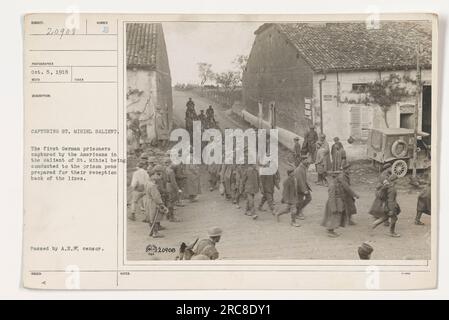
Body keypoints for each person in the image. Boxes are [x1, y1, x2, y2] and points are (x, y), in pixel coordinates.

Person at [321, 171, 346, 237]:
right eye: (340, 176)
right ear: (336, 177)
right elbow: (331, 197)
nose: (342, 177)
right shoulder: (332, 185)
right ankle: (330, 231)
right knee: (333, 217)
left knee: (335, 217)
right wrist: (333, 208)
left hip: (337, 203)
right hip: (334, 204)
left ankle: (331, 230)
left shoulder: (337, 183)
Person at [144, 173, 167, 238]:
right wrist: (161, 204)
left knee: (150, 217)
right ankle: (155, 232)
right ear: (155, 180)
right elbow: (156, 197)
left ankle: (152, 231)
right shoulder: (152, 186)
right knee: (155, 217)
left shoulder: (147, 183)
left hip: (147, 201)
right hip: (153, 203)